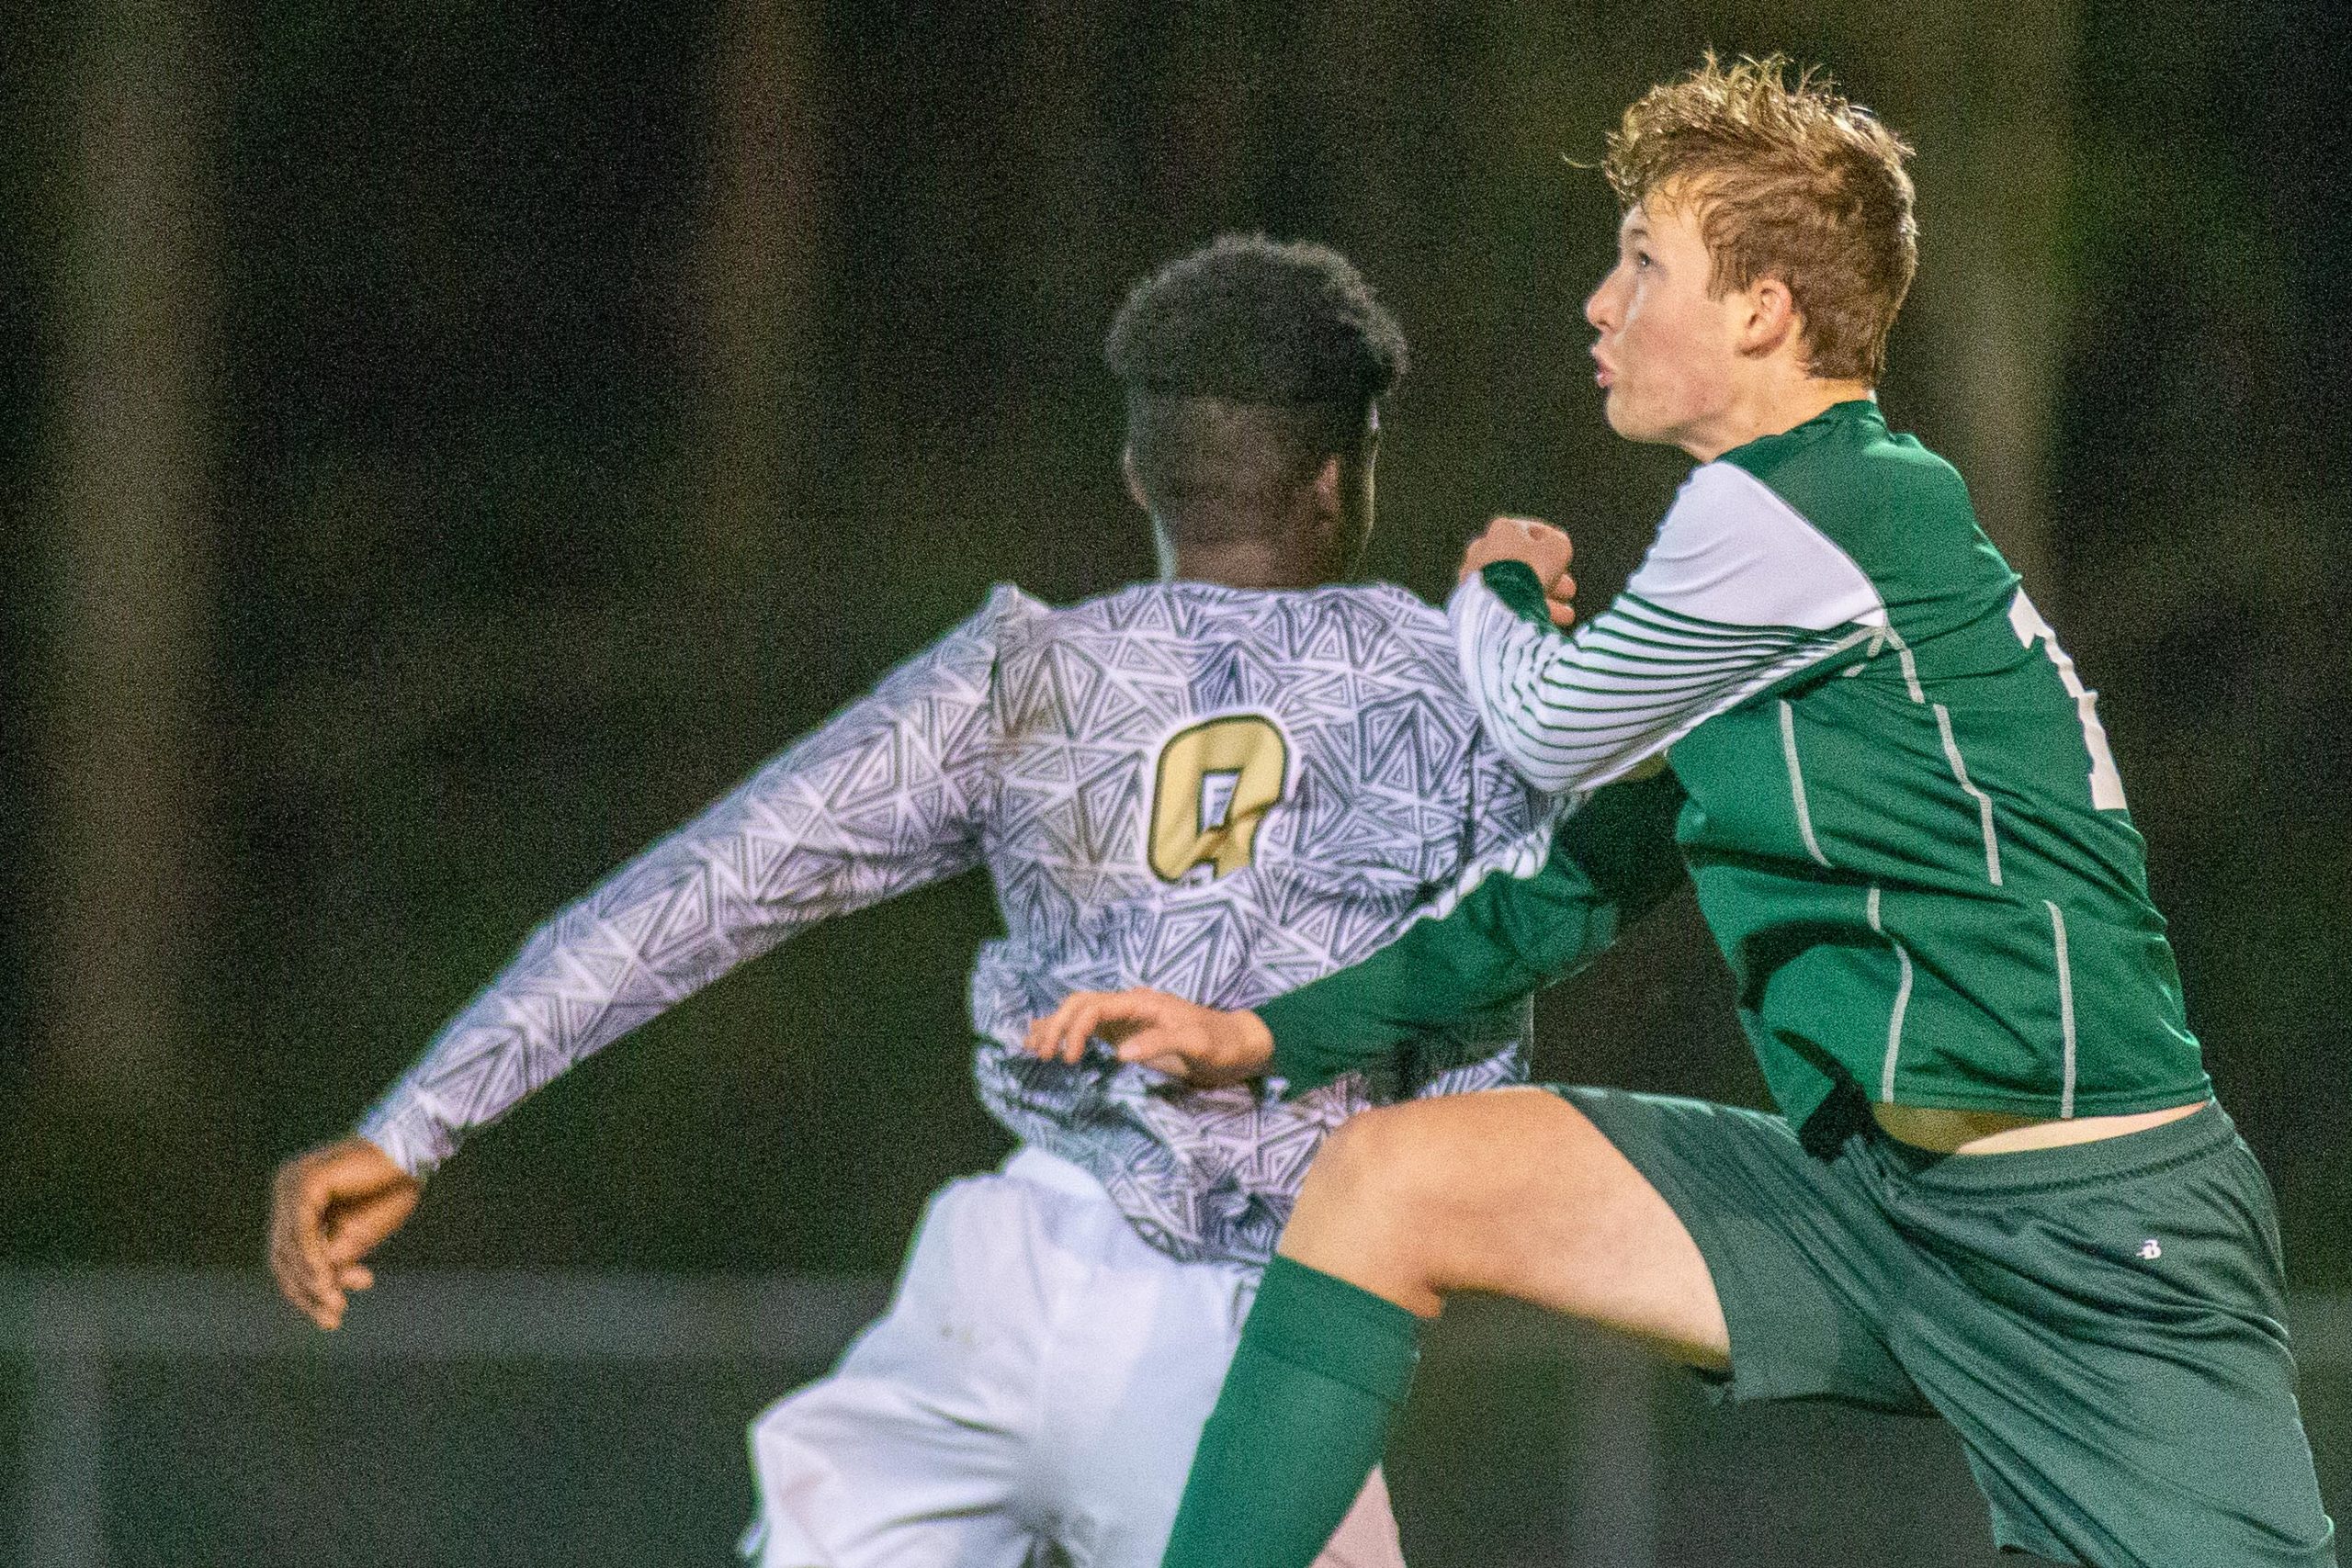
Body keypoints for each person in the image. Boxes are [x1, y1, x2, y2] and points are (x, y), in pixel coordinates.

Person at [1028, 59, 2335, 1568]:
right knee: (1390, 1181)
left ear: (1764, 311)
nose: (1601, 302)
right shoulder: (1780, 578)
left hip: (2098, 1248)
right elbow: (1575, 884)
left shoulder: (1816, 506)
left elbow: (1543, 728)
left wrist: (1494, 593)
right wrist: (1274, 1036)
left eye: (1644, 263)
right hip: (1883, 1211)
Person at [266, 233, 1584, 1568]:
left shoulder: (1019, 678)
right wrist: (1505, 633)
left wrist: (416, 1121)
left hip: (1000, 1291)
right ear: (1341, 477)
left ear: (1137, 470)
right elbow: (1473, 1077)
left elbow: (707, 888)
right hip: (1255, 1331)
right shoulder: (1453, 691)